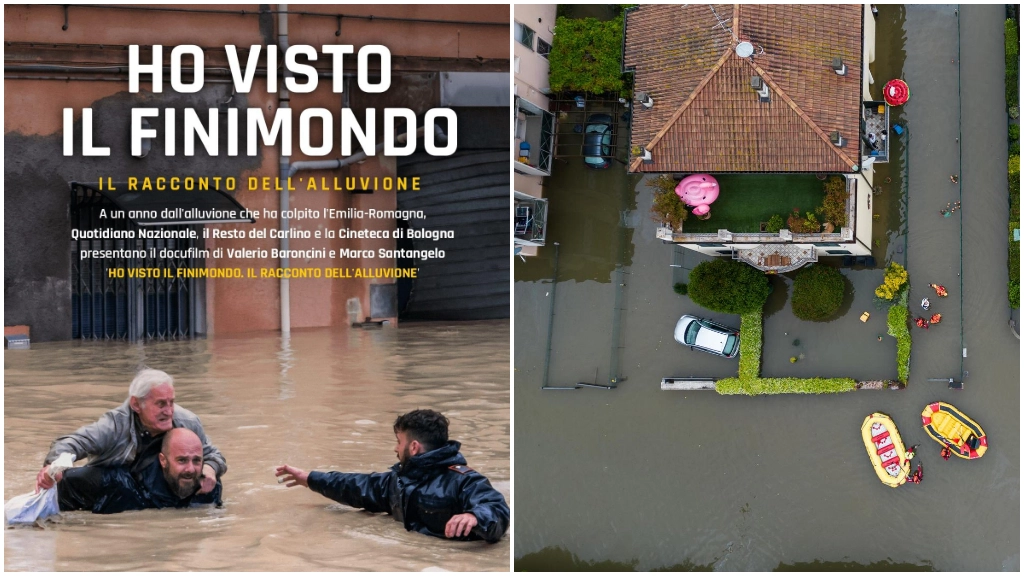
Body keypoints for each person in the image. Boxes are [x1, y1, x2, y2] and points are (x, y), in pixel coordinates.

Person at [275, 409, 509, 543]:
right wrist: (309, 479)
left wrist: (475, 517)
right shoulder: (396, 481)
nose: (396, 449)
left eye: (399, 442)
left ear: (414, 447)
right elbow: (354, 486)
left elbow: (497, 509)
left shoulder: (464, 480)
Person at [36, 369, 225, 496]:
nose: (168, 411)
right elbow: (71, 442)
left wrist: (210, 469)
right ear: (136, 404)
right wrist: (53, 468)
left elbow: (214, 456)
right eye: (160, 404)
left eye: (171, 402)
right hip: (116, 488)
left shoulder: (187, 422)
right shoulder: (113, 426)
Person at [56, 428, 222, 514]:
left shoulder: (208, 486)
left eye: (197, 461)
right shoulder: (119, 483)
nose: (191, 469)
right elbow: (66, 482)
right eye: (182, 460)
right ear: (163, 460)